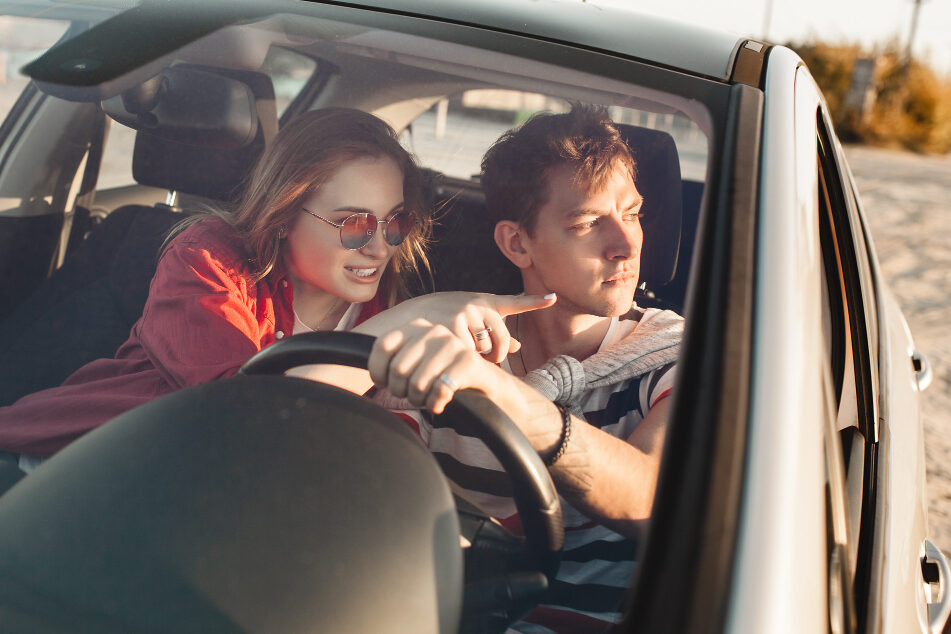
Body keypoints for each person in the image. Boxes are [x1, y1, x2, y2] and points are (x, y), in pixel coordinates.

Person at [0, 108, 552, 469]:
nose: (380, 246)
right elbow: (240, 419)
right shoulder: (206, 259)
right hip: (74, 473)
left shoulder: (384, 307)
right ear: (285, 215)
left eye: (395, 222)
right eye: (354, 223)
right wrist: (411, 321)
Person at [367, 104, 684, 632]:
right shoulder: (452, 345)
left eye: (631, 214)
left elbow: (652, 500)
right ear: (517, 242)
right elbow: (362, 482)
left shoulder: (673, 352)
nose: (627, 246)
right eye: (587, 223)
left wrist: (504, 395)